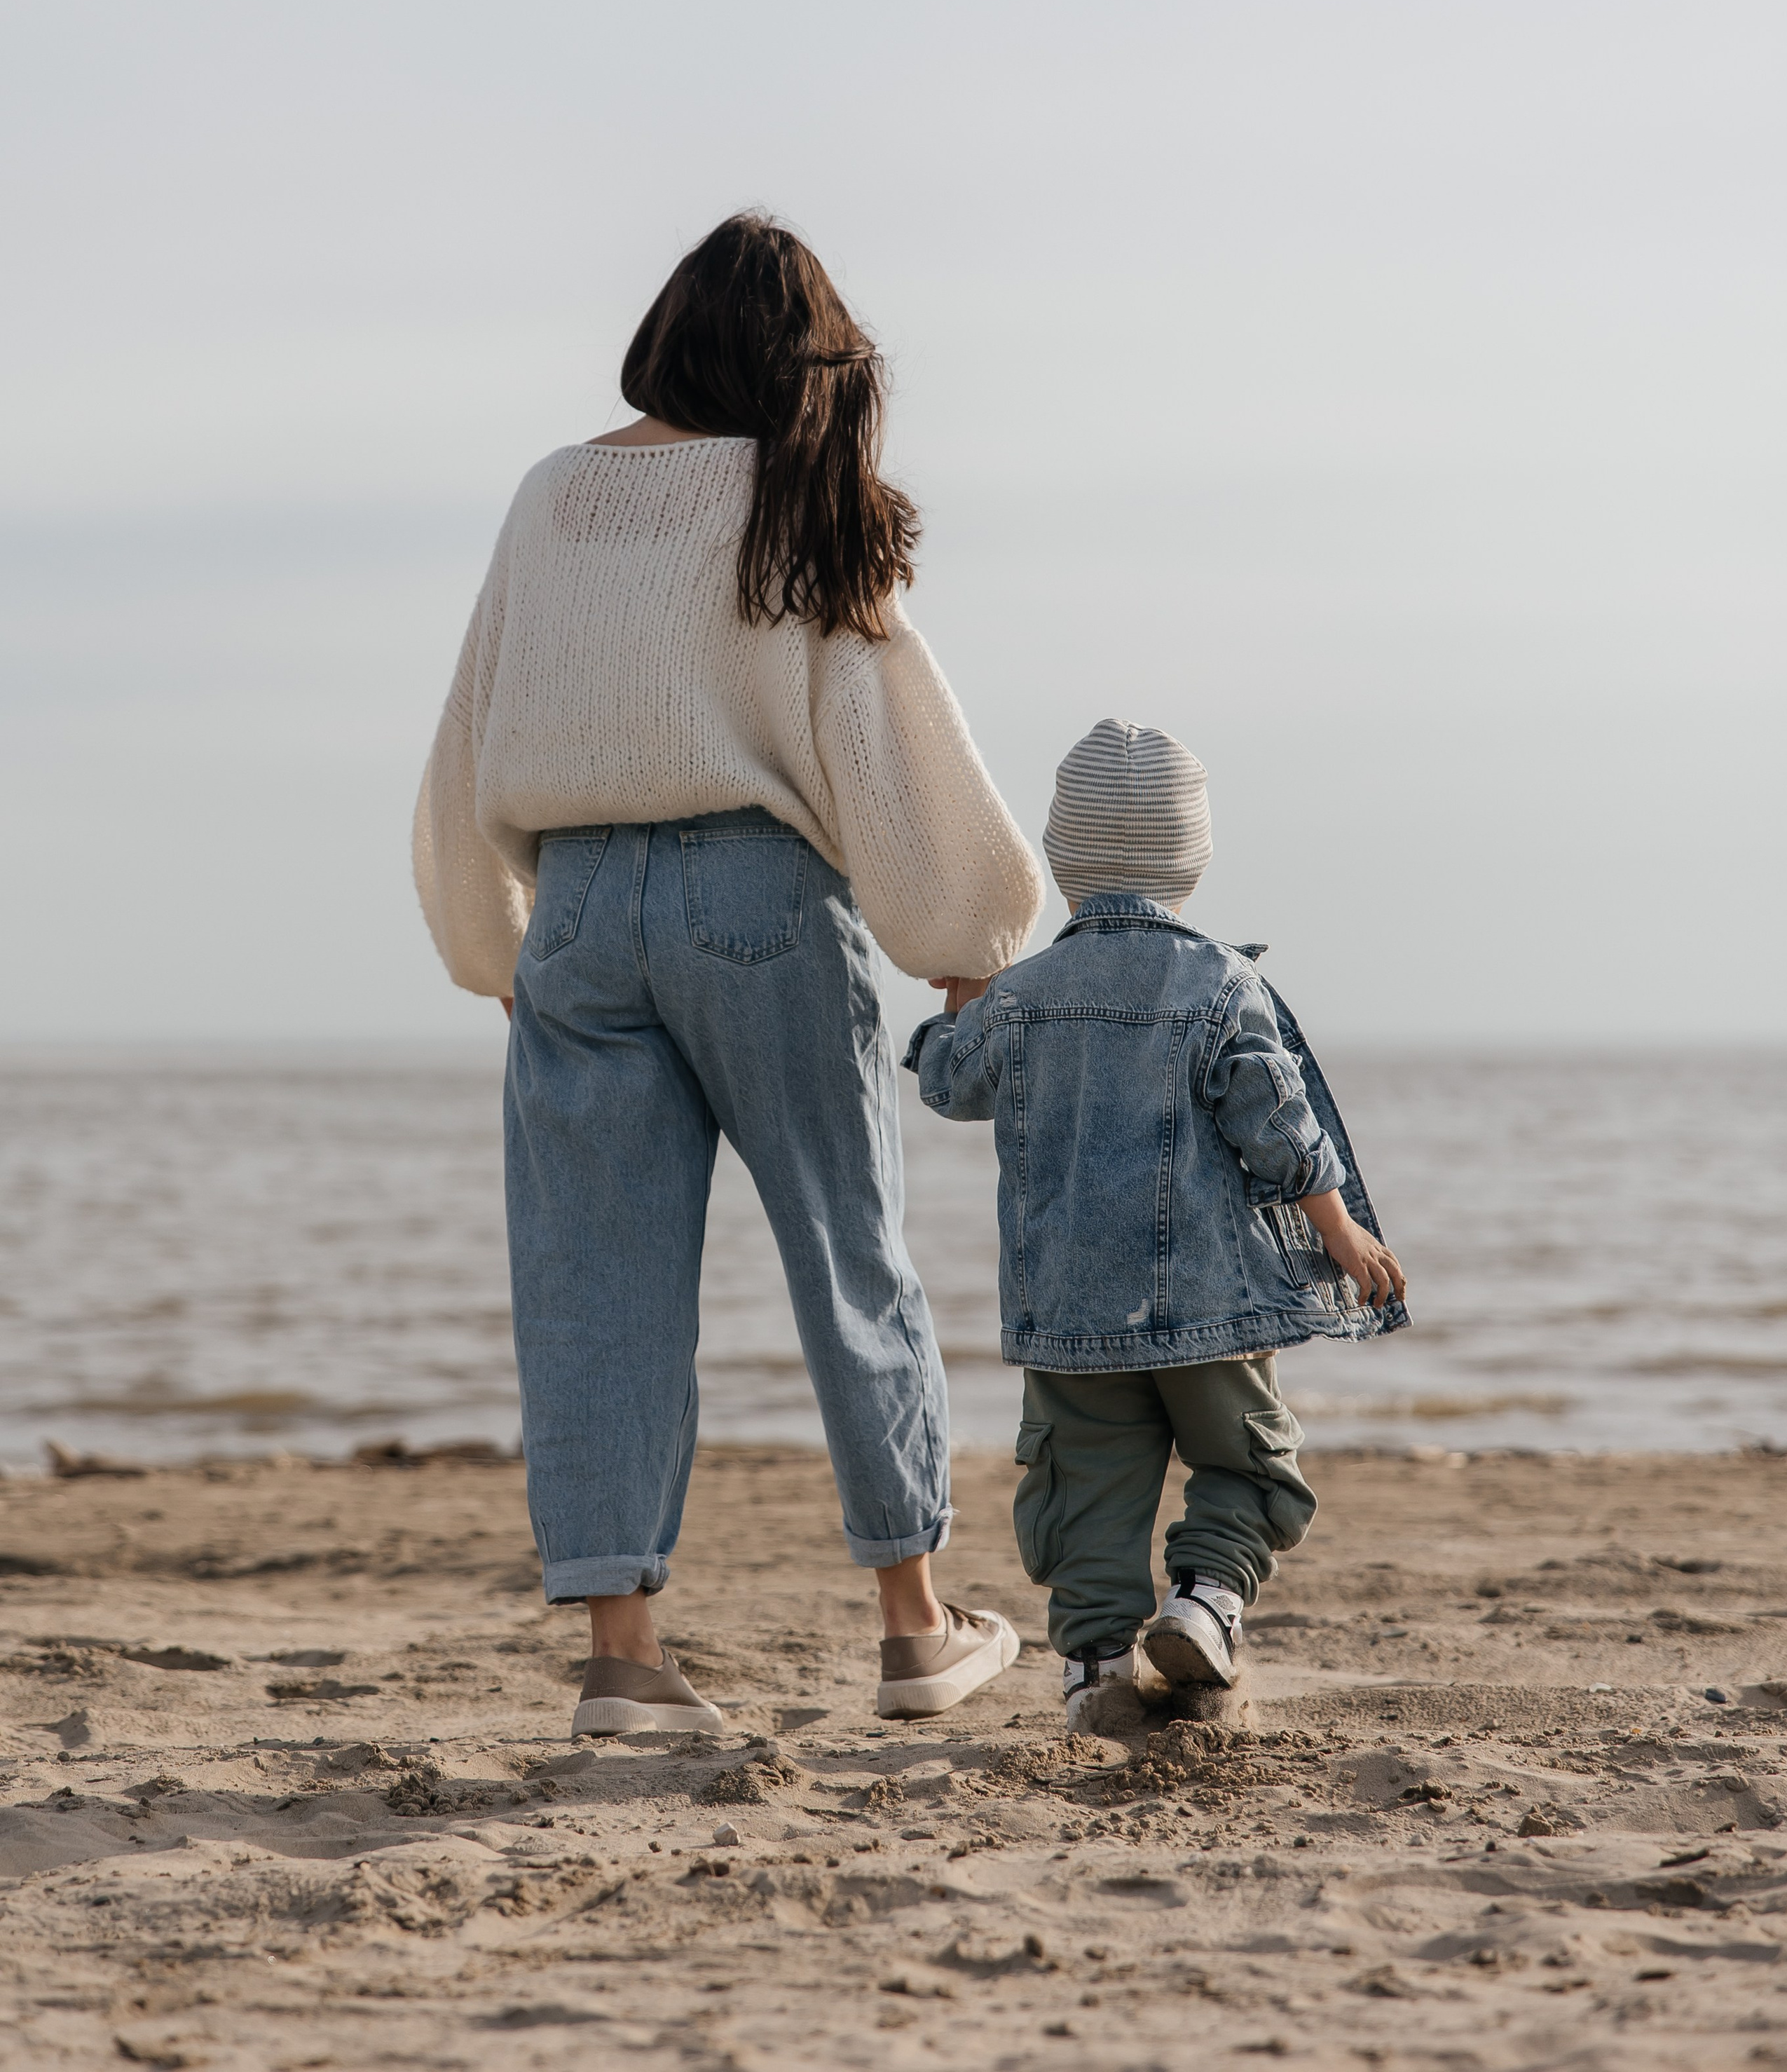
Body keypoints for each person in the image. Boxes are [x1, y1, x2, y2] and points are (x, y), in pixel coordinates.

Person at [413, 214, 1043, 1734]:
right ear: (801, 361)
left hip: (572, 903)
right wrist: (965, 944)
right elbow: (884, 730)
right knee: (847, 1252)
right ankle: (914, 1628)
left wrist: (490, 935)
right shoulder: (793, 497)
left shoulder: (549, 495)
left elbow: (475, 708)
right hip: (758, 897)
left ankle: (622, 1663)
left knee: (589, 1289)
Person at [904, 717, 1406, 1731]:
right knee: (1249, 1462)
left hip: (1070, 1308)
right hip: (1210, 1304)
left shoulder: (1027, 995)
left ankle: (1095, 1668)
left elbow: (953, 1086)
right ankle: (1207, 1601)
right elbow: (1275, 1120)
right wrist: (1340, 1230)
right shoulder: (1222, 982)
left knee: (1085, 1482)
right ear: (1195, 856)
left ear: (1058, 856)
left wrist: (960, 1009)